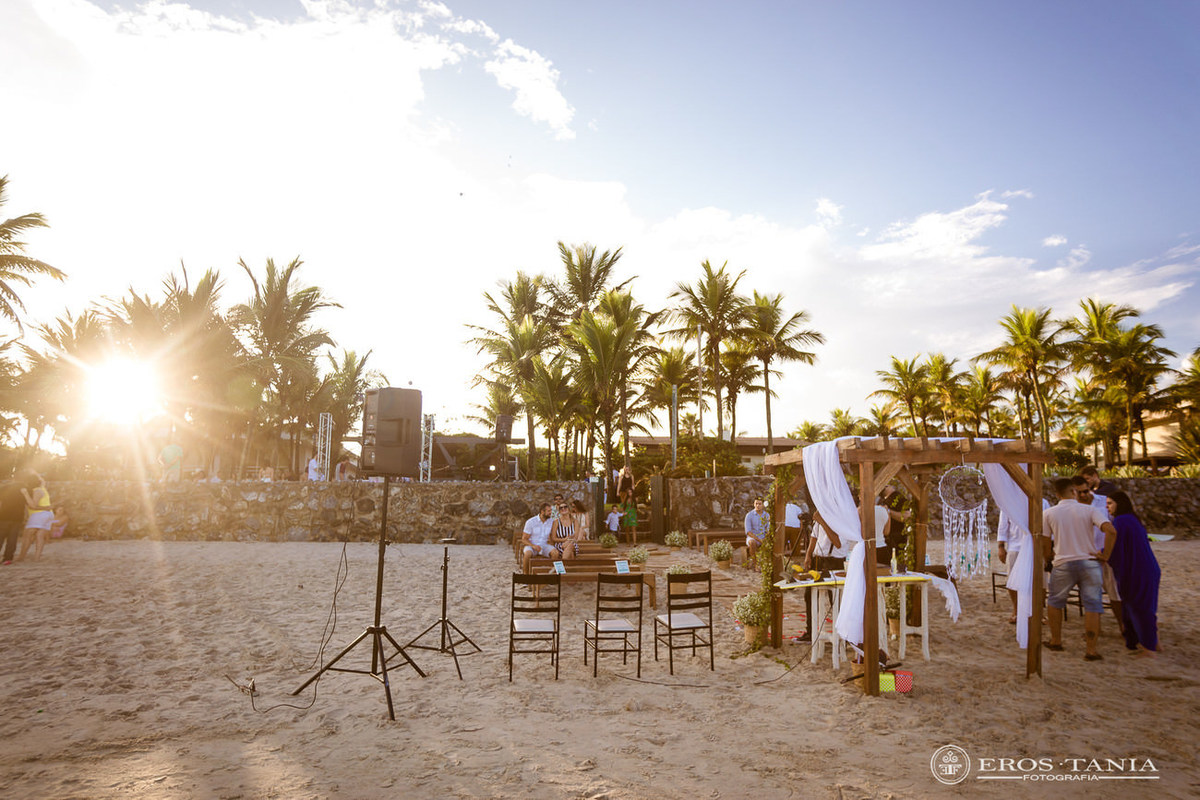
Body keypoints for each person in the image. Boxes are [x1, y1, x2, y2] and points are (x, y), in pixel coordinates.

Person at [1043, 477, 1118, 660]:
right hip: (1089, 561)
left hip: (1063, 562)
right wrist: (1106, 555)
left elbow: (1045, 545)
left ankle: (1056, 640)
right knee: (1093, 605)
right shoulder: (1089, 510)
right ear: (1073, 491)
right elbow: (1111, 530)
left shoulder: (1049, 513)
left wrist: (1050, 557)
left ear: (1057, 494)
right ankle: (1091, 650)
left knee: (1055, 602)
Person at [1105, 491, 1160, 656]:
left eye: (1110, 503)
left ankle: (1149, 648)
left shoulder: (1121, 521)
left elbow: (1117, 547)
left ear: (1119, 504)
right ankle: (1151, 643)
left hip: (1137, 570)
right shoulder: (1132, 519)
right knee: (1141, 607)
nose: (1107, 507)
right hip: (1146, 568)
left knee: (1140, 608)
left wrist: (1103, 554)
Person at [1073, 475, 1124, 635]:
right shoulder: (1072, 507)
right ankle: (1096, 628)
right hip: (1086, 555)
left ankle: (1123, 626)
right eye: (1079, 493)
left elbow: (1115, 526)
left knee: (1115, 593)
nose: (1083, 495)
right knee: (1091, 595)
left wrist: (1108, 553)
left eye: (1085, 491)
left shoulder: (1104, 502)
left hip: (1107, 554)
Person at [800, 510, 847, 641]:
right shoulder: (821, 518)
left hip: (834, 561)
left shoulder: (840, 520)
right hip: (818, 560)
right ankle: (810, 631)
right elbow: (814, 537)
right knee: (809, 595)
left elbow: (838, 543)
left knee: (836, 599)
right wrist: (808, 555)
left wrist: (822, 522)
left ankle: (843, 633)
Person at [18, 473, 53, 562]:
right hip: (48, 514)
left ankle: (21, 557)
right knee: (40, 535)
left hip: (39, 515)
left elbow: (33, 506)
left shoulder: (37, 491)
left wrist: (25, 494)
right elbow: (42, 480)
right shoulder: (42, 488)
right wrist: (34, 472)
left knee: (27, 536)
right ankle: (36, 558)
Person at [0, 473, 34, 565]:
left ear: (13, 479)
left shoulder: (4, 487)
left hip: (3, 516)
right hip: (17, 517)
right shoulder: (26, 489)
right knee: (12, 539)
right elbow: (29, 504)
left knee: (0, 537)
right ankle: (7, 558)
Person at [520, 503, 556, 573]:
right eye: (548, 511)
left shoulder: (552, 522)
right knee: (527, 554)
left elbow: (552, 536)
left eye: (551, 510)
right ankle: (525, 577)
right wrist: (533, 546)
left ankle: (551, 575)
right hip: (532, 545)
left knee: (555, 553)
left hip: (544, 545)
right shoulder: (530, 522)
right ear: (542, 511)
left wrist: (553, 546)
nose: (550, 513)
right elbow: (524, 539)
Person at [744, 497, 769, 568]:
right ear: (754, 504)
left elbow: (768, 529)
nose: (758, 505)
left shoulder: (767, 515)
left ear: (763, 505)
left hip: (764, 537)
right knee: (752, 543)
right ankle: (756, 564)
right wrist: (759, 539)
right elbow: (748, 532)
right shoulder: (749, 515)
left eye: (760, 504)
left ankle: (767, 564)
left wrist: (766, 538)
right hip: (753, 537)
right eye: (756, 504)